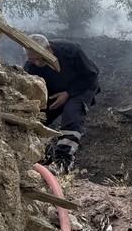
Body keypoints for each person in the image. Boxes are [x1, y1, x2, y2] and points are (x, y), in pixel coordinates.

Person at [24, 34, 100, 173]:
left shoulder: (70, 50)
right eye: (32, 60)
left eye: (40, 59)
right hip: (56, 92)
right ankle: (42, 157)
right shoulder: (31, 67)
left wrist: (68, 94)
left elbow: (91, 76)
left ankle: (63, 161)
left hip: (81, 87)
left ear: (48, 48)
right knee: (39, 119)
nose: (37, 63)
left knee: (72, 114)